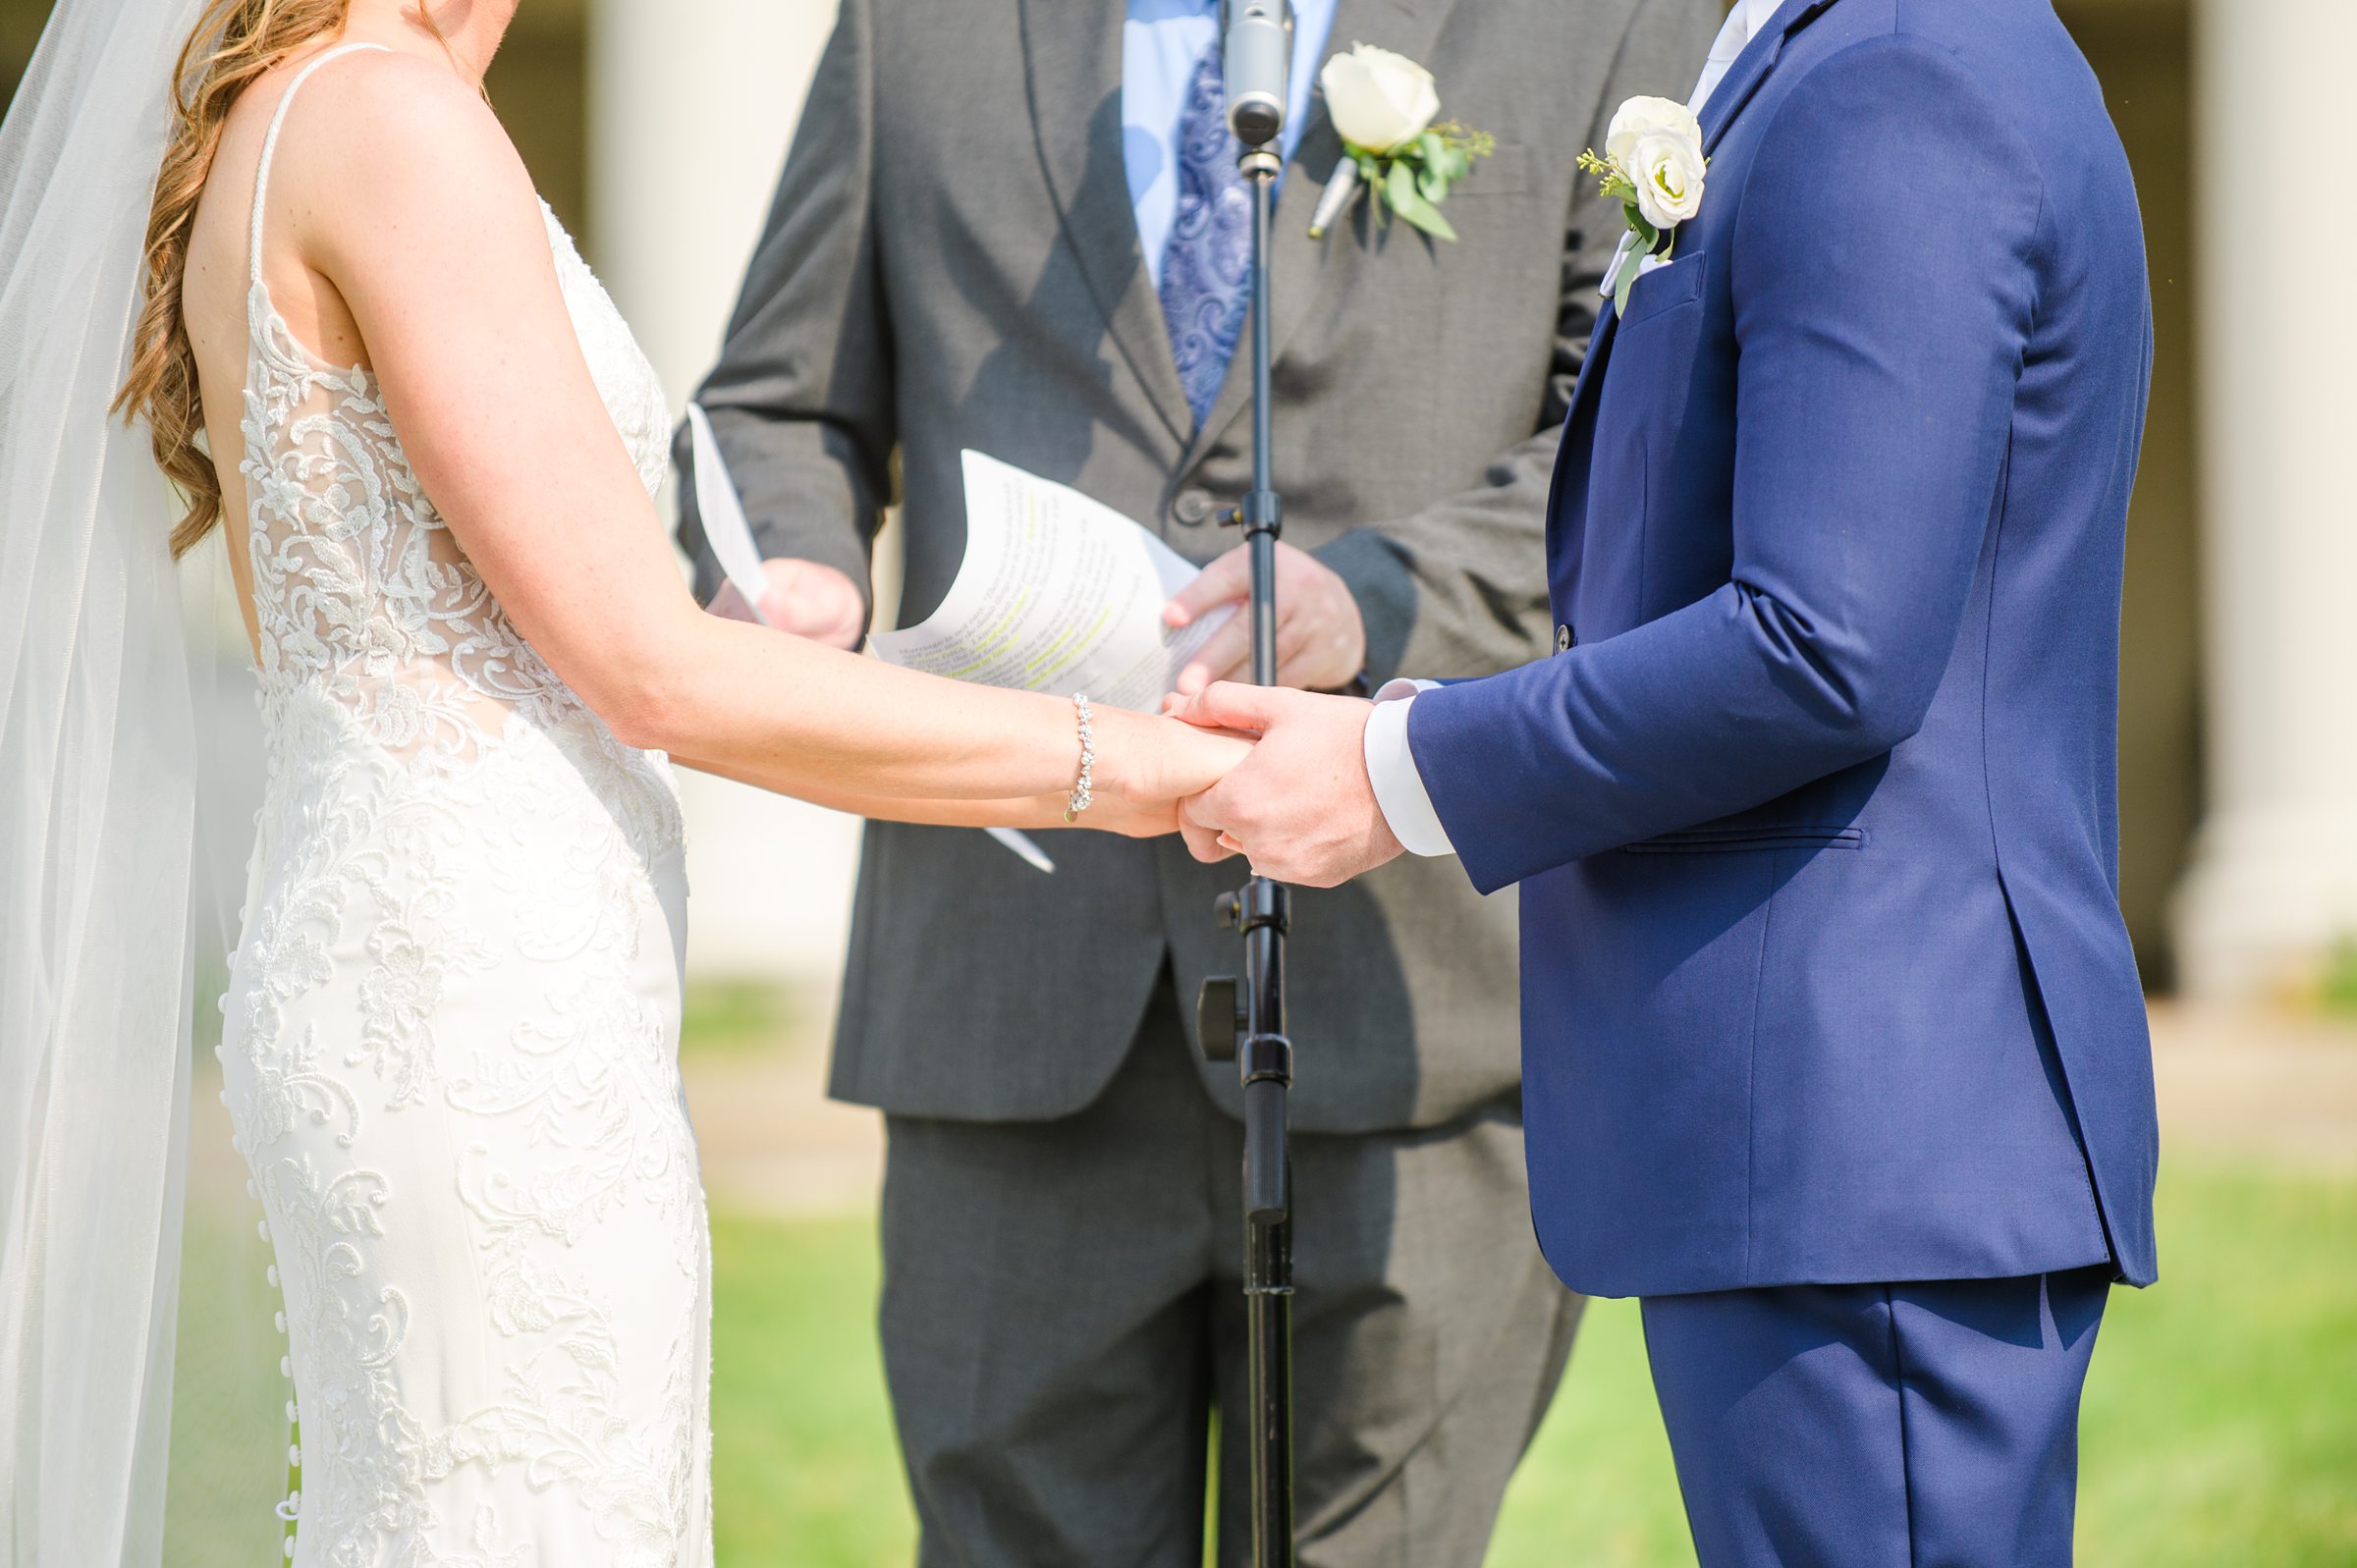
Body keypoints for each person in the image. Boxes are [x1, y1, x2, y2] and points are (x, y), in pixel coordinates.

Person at [0, 1, 1246, 1561]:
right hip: (482, 1008)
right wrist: (1117, 758)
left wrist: (744, 617)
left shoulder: (314, 109)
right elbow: (649, 673)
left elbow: (493, 610)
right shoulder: (390, 120)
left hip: (423, 963)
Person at [677, 0, 1723, 1561]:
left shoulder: (1607, 18)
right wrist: (801, 565)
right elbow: (781, 402)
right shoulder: (916, 24)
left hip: (1420, 1010)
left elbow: (1643, 436)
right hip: (1010, 1005)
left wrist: (1373, 596)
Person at [1170, 0, 2164, 1563]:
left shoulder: (1902, 82)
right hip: (1836, 1137)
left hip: (1867, 1137)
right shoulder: (1852, 54)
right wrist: (1441, 720)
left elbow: (1825, 646)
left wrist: (1400, 771)